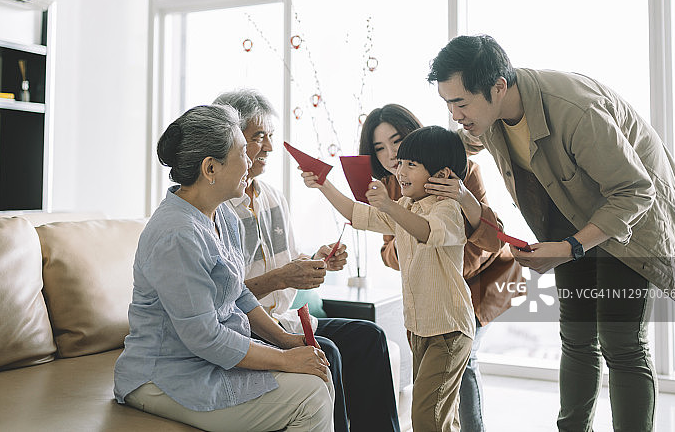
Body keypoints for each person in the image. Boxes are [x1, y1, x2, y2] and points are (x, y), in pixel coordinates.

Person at [428, 34, 675, 432]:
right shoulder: (489, 116)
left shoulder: (576, 111)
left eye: (460, 102)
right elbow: (466, 141)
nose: (455, 113)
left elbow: (636, 191)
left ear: (498, 86)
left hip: (634, 219)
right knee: (578, 339)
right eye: (447, 104)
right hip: (573, 218)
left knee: (622, 343)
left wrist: (570, 247)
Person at [114, 104, 335, 432]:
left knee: (319, 373)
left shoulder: (221, 215)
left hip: (206, 360)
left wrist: (285, 341)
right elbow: (203, 337)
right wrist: (284, 359)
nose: (251, 162)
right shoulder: (177, 233)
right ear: (210, 168)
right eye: (243, 152)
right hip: (162, 376)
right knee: (310, 395)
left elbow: (239, 294)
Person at [213, 89, 401, 432]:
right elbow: (224, 298)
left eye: (270, 136)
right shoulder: (217, 207)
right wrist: (284, 278)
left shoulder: (272, 196)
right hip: (250, 331)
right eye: (258, 137)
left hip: (285, 319)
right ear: (232, 141)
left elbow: (289, 262)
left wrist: (318, 261)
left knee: (370, 338)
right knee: (327, 350)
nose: (269, 147)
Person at [358, 103, 524, 432]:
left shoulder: (461, 172)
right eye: (380, 148)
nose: (391, 155)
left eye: (397, 141)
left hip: (479, 283)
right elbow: (389, 252)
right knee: (439, 396)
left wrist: (462, 202)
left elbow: (491, 241)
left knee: (464, 365)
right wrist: (417, 241)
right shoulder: (395, 186)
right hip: (433, 292)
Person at [303, 124, 475, 432]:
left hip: (448, 329)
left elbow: (427, 232)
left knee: (426, 417)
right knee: (441, 416)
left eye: (411, 164)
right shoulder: (406, 205)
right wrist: (324, 185)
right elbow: (358, 214)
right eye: (401, 163)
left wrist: (389, 206)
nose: (399, 169)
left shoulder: (447, 208)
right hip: (420, 328)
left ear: (442, 173)